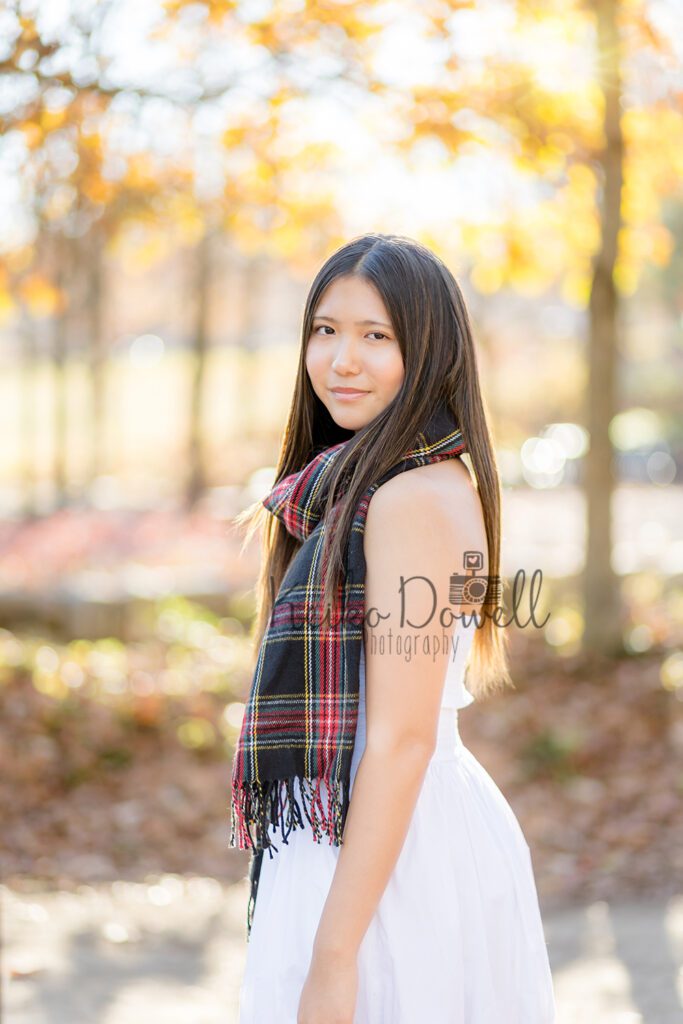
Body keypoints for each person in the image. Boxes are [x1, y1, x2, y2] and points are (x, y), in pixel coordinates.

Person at [230, 233, 557, 1023]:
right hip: (369, 828)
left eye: (376, 336)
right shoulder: (375, 483)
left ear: (429, 351)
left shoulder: (409, 499)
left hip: (395, 854)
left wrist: (335, 957)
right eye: (326, 330)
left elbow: (403, 738)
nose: (342, 360)